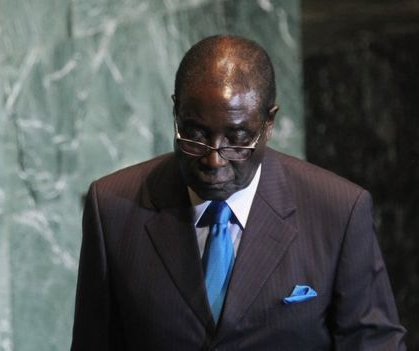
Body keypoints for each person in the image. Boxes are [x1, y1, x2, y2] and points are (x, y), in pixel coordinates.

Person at [70, 35, 406, 350]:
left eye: (237, 138)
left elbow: (374, 343)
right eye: (195, 134)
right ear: (176, 113)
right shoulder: (112, 207)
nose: (214, 159)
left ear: (268, 123)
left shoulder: (337, 210)